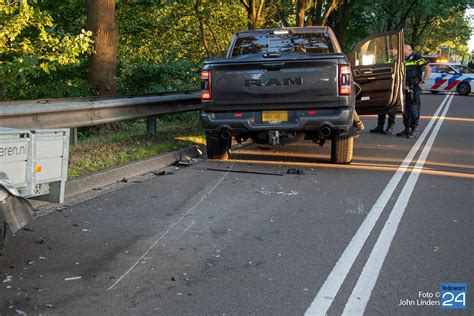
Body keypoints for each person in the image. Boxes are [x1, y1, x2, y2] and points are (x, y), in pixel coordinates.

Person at [396, 44, 431, 138]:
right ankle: (407, 129)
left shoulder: (417, 57)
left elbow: (428, 69)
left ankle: (414, 130)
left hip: (414, 86)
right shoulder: (402, 58)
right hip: (404, 87)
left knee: (414, 108)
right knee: (405, 109)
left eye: (403, 51)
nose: (402, 53)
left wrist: (422, 82)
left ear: (409, 50)